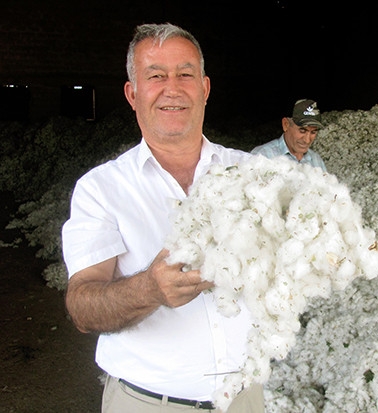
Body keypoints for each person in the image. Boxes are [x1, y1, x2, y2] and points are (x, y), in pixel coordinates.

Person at [62, 23, 264, 412]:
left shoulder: (252, 174)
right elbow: (81, 307)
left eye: (185, 74)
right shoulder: (101, 189)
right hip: (150, 403)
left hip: (246, 399)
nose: (173, 88)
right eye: (155, 76)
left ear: (204, 88)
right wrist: (150, 290)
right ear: (132, 93)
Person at [251, 99, 327, 171]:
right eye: (302, 131)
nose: (307, 140)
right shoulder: (263, 156)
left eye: (313, 132)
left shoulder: (316, 161)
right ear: (286, 125)